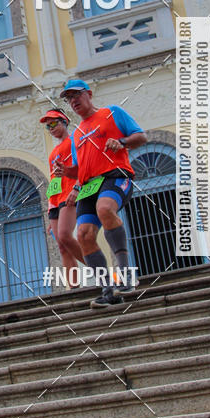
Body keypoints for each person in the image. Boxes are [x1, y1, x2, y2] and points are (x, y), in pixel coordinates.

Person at [54, 79, 147, 310]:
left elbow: (141, 137)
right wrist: (68, 174)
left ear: (89, 94)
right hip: (88, 187)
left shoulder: (111, 113)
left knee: (105, 209)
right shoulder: (76, 135)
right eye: (69, 98)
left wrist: (122, 142)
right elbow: (80, 169)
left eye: (77, 95)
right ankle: (107, 289)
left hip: (116, 177)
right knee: (84, 234)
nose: (73, 101)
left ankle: (126, 276)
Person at [39, 108, 84, 285]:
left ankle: (98, 269)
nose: (51, 128)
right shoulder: (53, 152)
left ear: (64, 121)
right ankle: (74, 288)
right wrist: (51, 207)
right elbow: (54, 180)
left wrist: (77, 187)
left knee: (66, 236)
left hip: (70, 195)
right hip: (56, 201)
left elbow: (83, 165)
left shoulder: (75, 140)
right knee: (62, 247)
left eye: (54, 123)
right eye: (48, 127)